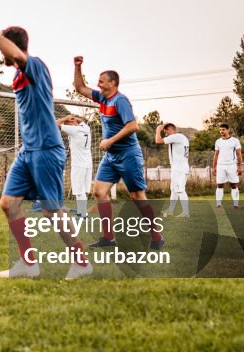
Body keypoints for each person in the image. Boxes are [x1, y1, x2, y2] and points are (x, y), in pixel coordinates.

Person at [0, 19, 92, 279]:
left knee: (51, 210)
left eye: (3, 47)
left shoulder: (34, 65)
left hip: (47, 149)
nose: (0, 53)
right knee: (8, 203)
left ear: (13, 46)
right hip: (28, 151)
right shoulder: (18, 75)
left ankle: (81, 263)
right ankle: (28, 263)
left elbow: (15, 54)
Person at [71, 56, 164, 251]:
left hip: (128, 154)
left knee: (137, 196)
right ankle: (108, 238)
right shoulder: (101, 97)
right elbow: (80, 88)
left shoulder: (120, 101)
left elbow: (133, 126)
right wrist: (77, 67)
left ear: (112, 83)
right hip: (111, 157)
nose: (98, 84)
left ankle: (157, 236)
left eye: (101, 81)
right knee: (99, 192)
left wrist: (110, 140)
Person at [59, 114, 93, 216]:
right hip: (88, 164)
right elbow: (80, 120)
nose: (67, 125)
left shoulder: (74, 131)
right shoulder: (85, 127)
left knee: (79, 190)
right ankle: (81, 212)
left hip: (79, 164)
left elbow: (55, 124)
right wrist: (73, 118)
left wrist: (65, 118)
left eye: (67, 124)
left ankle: (82, 214)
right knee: (83, 190)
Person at [155, 122, 190, 217]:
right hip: (176, 168)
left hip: (181, 169)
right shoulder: (178, 138)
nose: (166, 135)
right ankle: (170, 210)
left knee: (180, 190)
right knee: (174, 190)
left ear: (171, 130)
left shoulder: (177, 136)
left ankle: (186, 213)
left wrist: (158, 129)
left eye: (166, 133)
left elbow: (158, 141)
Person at [212, 123, 243, 209]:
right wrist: (214, 167)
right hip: (221, 166)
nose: (221, 131)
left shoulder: (235, 141)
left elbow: (239, 154)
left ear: (228, 130)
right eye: (220, 130)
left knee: (233, 185)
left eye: (223, 130)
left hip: (232, 166)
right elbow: (216, 155)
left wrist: (240, 166)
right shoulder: (218, 141)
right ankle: (218, 204)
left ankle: (236, 205)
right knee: (220, 185)